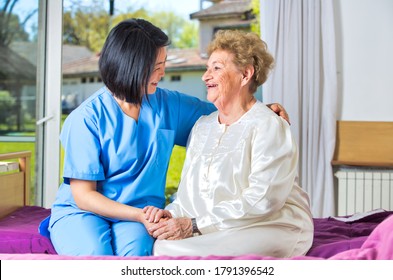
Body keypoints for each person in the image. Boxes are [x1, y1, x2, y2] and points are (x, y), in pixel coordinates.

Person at [39, 19, 290, 257]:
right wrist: (138, 216)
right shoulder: (86, 118)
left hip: (143, 212)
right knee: (96, 257)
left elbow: (227, 113)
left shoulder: (168, 104)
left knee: (137, 258)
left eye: (163, 64)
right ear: (133, 67)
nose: (163, 73)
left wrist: (262, 110)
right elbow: (84, 195)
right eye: (157, 67)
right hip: (86, 212)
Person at [144, 29, 314, 258]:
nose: (205, 76)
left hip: (270, 225)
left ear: (245, 75)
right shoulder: (202, 126)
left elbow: (264, 200)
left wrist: (194, 225)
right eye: (207, 68)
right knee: (163, 244)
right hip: (215, 225)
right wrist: (171, 215)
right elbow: (187, 196)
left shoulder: (269, 125)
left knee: (176, 251)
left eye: (216, 68)